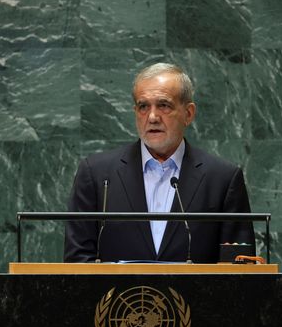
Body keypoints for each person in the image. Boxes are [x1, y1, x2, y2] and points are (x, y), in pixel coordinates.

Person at [63, 63, 254, 263]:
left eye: (163, 105)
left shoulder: (222, 179)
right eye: (143, 106)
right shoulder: (96, 174)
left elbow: (238, 270)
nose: (152, 117)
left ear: (188, 114)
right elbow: (77, 262)